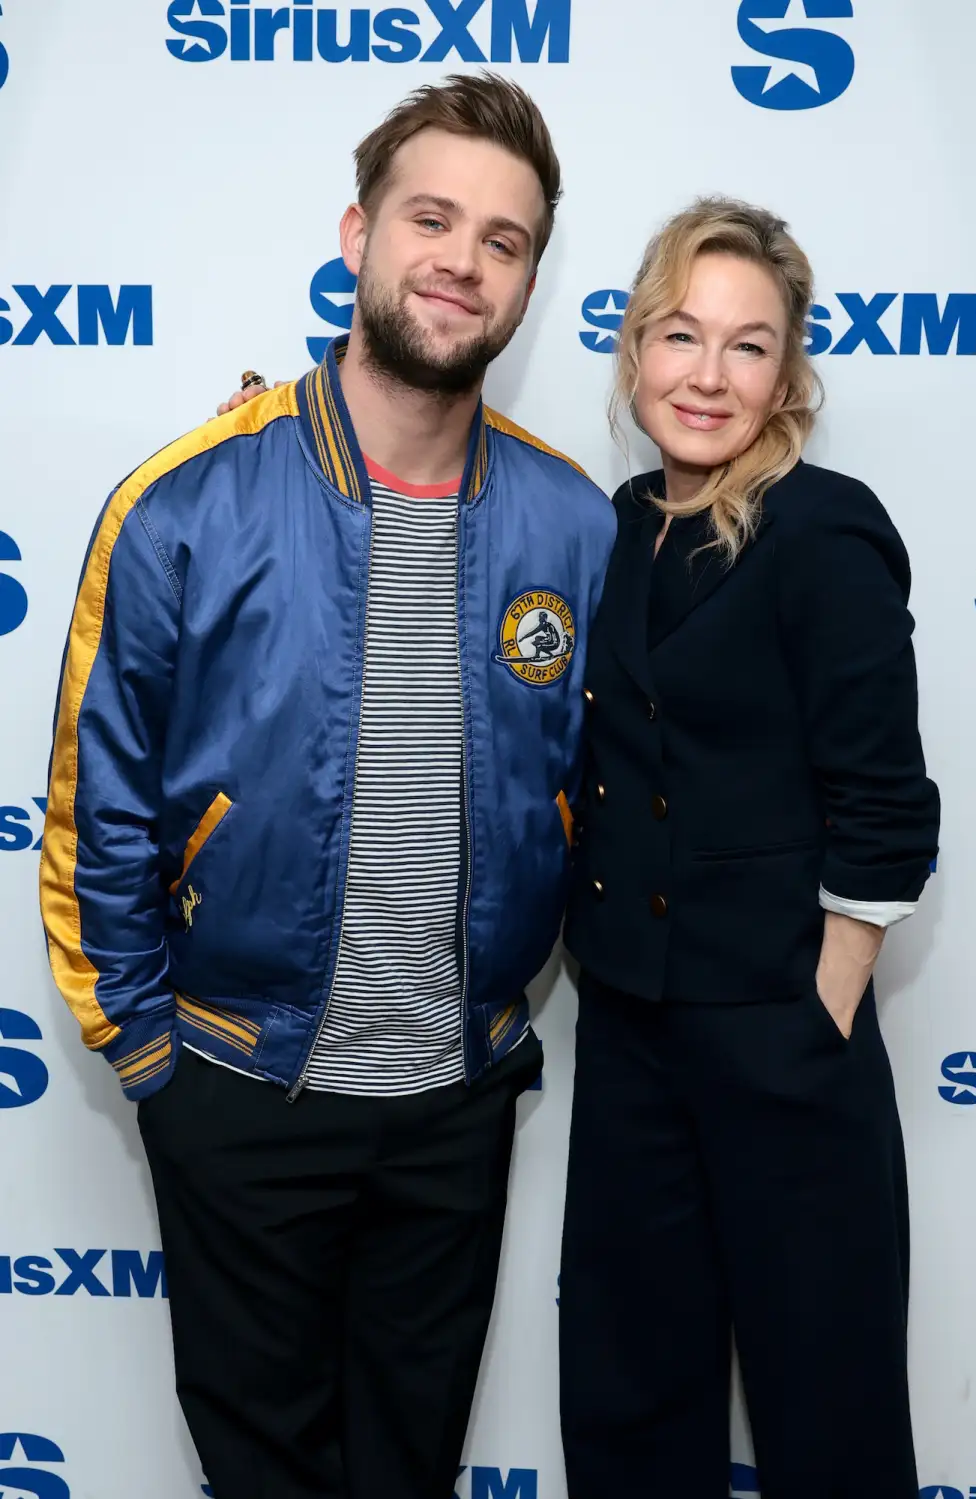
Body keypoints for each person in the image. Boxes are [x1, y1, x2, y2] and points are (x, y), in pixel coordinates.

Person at [39, 74, 615, 1499]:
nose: (461, 261)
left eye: (504, 239)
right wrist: (153, 1060)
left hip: (457, 1106)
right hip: (238, 1092)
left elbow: (604, 792)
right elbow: (93, 812)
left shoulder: (575, 525)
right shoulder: (184, 502)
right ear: (356, 234)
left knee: (407, 1473)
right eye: (432, 217)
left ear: (531, 280)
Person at [558, 199, 940, 1499]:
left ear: (789, 374)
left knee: (825, 1417)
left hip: (781, 1040)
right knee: (627, 1405)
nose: (707, 376)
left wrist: (818, 1012)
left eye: (747, 344)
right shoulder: (610, 527)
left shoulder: (824, 531)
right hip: (625, 1036)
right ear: (634, 350)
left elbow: (887, 802)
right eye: (681, 335)